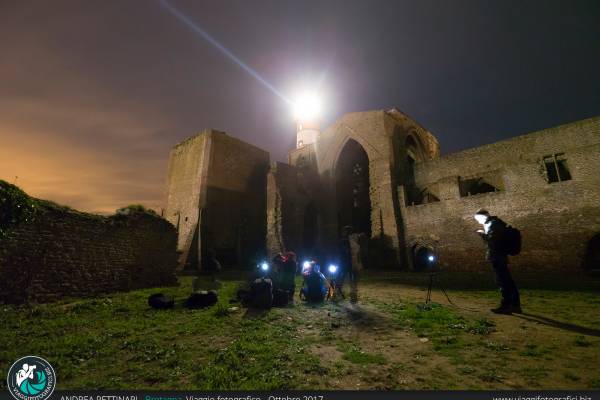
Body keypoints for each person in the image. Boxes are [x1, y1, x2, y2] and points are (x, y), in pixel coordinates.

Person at [474, 209, 521, 314]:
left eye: (478, 219)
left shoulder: (492, 224)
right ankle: (515, 305)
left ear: (483, 216)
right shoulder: (496, 223)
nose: (478, 222)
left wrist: (482, 234)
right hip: (500, 256)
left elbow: (493, 242)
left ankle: (506, 305)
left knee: (503, 281)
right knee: (507, 280)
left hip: (497, 257)